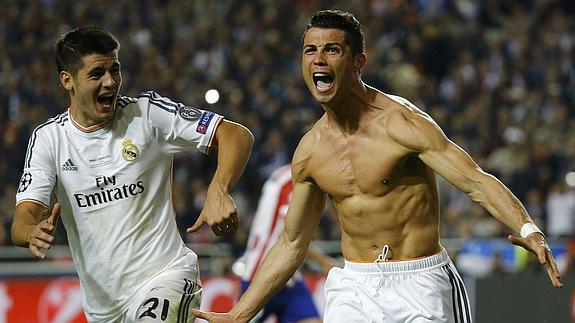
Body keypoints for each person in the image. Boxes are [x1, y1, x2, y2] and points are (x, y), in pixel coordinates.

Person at [193, 9, 562, 323]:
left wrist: (528, 228)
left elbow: (475, 182)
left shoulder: (401, 124)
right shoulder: (310, 151)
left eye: (331, 50)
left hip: (422, 281)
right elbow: (291, 243)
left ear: (358, 62)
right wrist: (241, 313)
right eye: (310, 50)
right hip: (355, 284)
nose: (318, 59)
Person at [11, 26, 253, 322]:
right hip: (104, 308)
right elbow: (23, 219)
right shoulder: (50, 140)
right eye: (97, 73)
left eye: (115, 69)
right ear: (67, 80)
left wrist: (219, 189)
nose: (110, 82)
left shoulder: (147, 115)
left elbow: (235, 135)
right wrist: (30, 232)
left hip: (167, 277)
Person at [235, 164, 337, 323]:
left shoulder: (283, 175)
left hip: (289, 277)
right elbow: (291, 235)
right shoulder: (292, 181)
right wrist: (323, 261)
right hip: (261, 273)